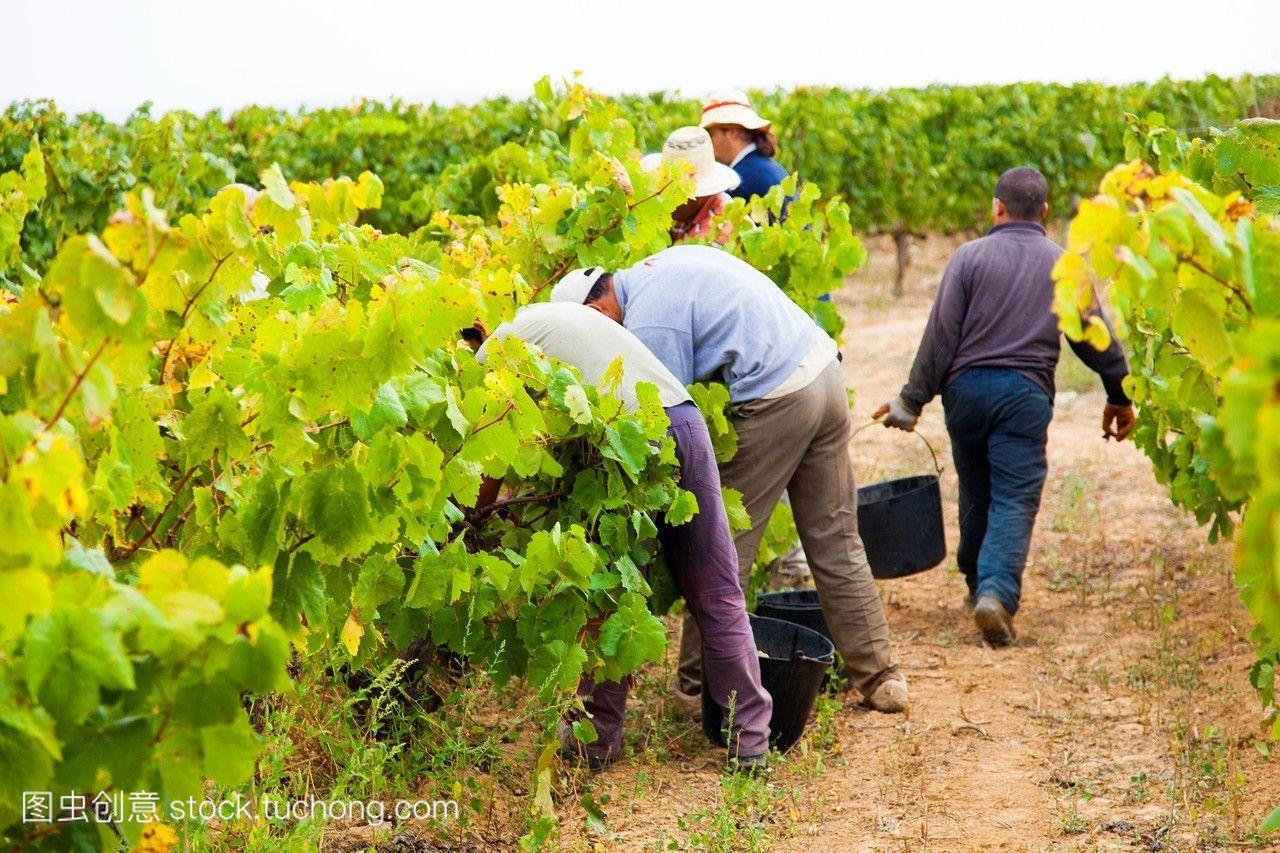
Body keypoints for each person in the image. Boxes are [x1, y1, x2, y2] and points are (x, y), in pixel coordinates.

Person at [550, 246, 909, 715]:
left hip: (778, 396)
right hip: (823, 374)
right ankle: (881, 678)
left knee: (718, 546)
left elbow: (662, 423)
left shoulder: (650, 322)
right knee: (836, 536)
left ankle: (697, 688)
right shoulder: (664, 266)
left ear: (596, 311)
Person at [469, 300, 773, 770]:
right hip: (683, 420)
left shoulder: (491, 359)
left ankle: (596, 741)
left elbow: (486, 467)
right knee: (717, 591)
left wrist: (471, 528)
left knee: (609, 596)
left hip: (631, 439)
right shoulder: (543, 321)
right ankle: (751, 743)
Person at [874, 167, 1136, 647]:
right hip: (1023, 395)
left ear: (996, 208)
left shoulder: (967, 259)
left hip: (965, 395)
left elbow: (942, 335)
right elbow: (1095, 340)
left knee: (976, 488)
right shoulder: (1066, 267)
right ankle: (996, 592)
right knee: (1014, 495)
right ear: (1046, 212)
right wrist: (1118, 396)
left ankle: (978, 582)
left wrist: (911, 400)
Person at [640, 126, 739, 243]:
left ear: (697, 196)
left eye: (673, 192)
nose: (662, 197)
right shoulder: (685, 213)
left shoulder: (717, 230)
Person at [700, 90, 788, 202]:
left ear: (732, 132)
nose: (707, 143)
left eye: (710, 135)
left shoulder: (737, 181)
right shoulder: (776, 169)